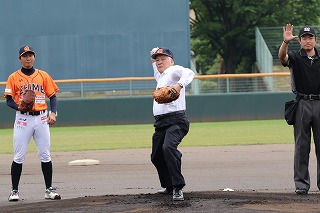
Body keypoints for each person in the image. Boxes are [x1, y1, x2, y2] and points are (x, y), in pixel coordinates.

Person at [4, 45, 61, 201]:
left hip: (41, 118)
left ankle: (49, 189)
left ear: (34, 57)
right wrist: (19, 106)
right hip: (23, 119)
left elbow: (53, 96)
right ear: (20, 58)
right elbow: (8, 100)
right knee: (19, 156)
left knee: (45, 154)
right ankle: (14, 191)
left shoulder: (43, 75)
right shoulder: (13, 77)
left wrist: (53, 112)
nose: (28, 58)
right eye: (25, 55)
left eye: (30, 55)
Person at [278, 24, 320, 195]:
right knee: (302, 146)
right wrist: (285, 42)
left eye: (310, 37)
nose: (307, 40)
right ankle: (302, 185)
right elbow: (282, 58)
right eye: (304, 38)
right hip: (302, 102)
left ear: (315, 40)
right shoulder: (296, 56)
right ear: (300, 41)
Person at [149, 47, 195, 201]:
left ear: (171, 60)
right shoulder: (160, 75)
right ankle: (168, 186)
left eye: (163, 59)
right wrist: (153, 56)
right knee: (156, 156)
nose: (159, 62)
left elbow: (189, 73)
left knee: (168, 148)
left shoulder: (174, 70)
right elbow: (155, 65)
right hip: (161, 123)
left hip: (176, 121)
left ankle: (177, 187)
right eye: (157, 60)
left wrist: (179, 85)